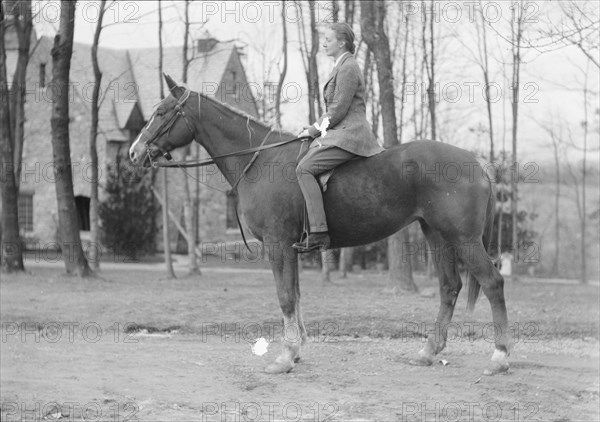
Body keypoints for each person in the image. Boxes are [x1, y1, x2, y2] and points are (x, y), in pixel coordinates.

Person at [293, 22, 385, 253]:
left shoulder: (348, 67)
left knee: (303, 169)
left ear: (342, 42)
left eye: (328, 39)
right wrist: (314, 129)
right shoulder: (341, 66)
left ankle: (319, 232)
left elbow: (337, 110)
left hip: (350, 135)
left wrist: (314, 130)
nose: (323, 43)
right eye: (324, 39)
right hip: (339, 133)